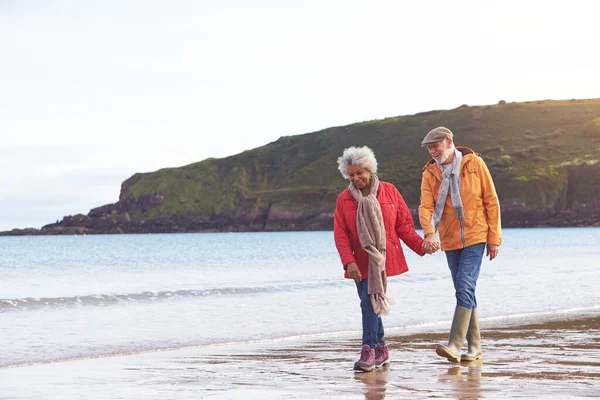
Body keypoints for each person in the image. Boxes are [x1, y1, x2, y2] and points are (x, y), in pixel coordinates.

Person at [334, 146, 438, 372]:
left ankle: (368, 350)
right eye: (351, 174)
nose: (356, 178)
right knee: (370, 302)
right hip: (358, 261)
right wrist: (348, 261)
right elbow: (340, 234)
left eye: (359, 173)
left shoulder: (390, 191)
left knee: (368, 302)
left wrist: (422, 245)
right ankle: (381, 348)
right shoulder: (343, 199)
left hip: (382, 258)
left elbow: (403, 227)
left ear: (369, 170)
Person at [418, 126, 502, 363]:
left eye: (435, 145)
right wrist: (429, 233)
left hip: (476, 235)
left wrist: (494, 238)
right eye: (429, 148)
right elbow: (426, 206)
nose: (432, 151)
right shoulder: (429, 173)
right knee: (465, 289)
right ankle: (474, 348)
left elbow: (491, 201)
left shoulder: (474, 164)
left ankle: (455, 344)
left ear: (449, 141)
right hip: (449, 238)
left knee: (464, 286)